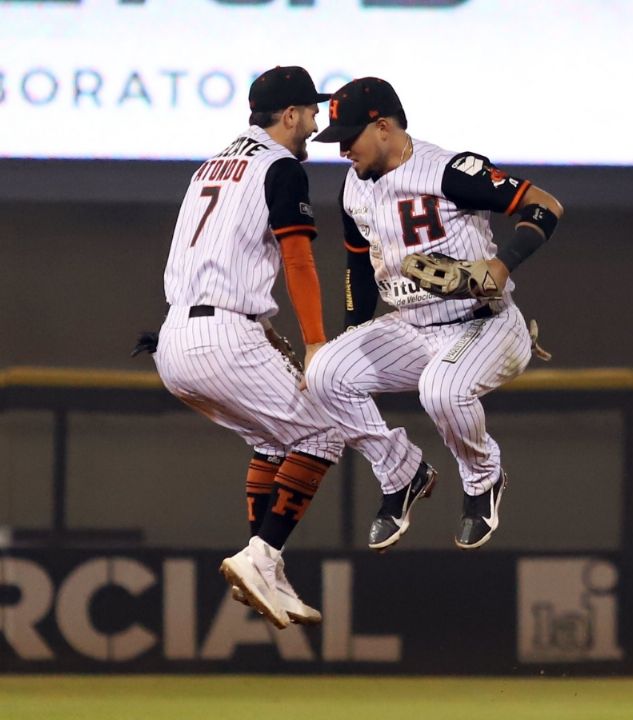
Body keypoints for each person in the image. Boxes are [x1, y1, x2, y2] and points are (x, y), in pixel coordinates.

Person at [307, 77, 563, 552]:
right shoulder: (353, 187)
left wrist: (501, 265)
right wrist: (349, 341)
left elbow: (545, 205)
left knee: (440, 389)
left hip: (483, 320)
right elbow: (358, 269)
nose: (342, 149)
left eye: (349, 137)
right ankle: (402, 473)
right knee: (324, 372)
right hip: (410, 325)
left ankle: (483, 477)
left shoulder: (448, 170)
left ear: (383, 127)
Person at [151, 66, 342, 630]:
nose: (314, 121)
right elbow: (298, 260)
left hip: (175, 336)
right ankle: (261, 557)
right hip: (223, 333)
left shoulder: (209, 166)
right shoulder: (280, 165)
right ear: (288, 116)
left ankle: (267, 566)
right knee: (326, 429)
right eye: (309, 111)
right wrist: (315, 343)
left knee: (272, 440)